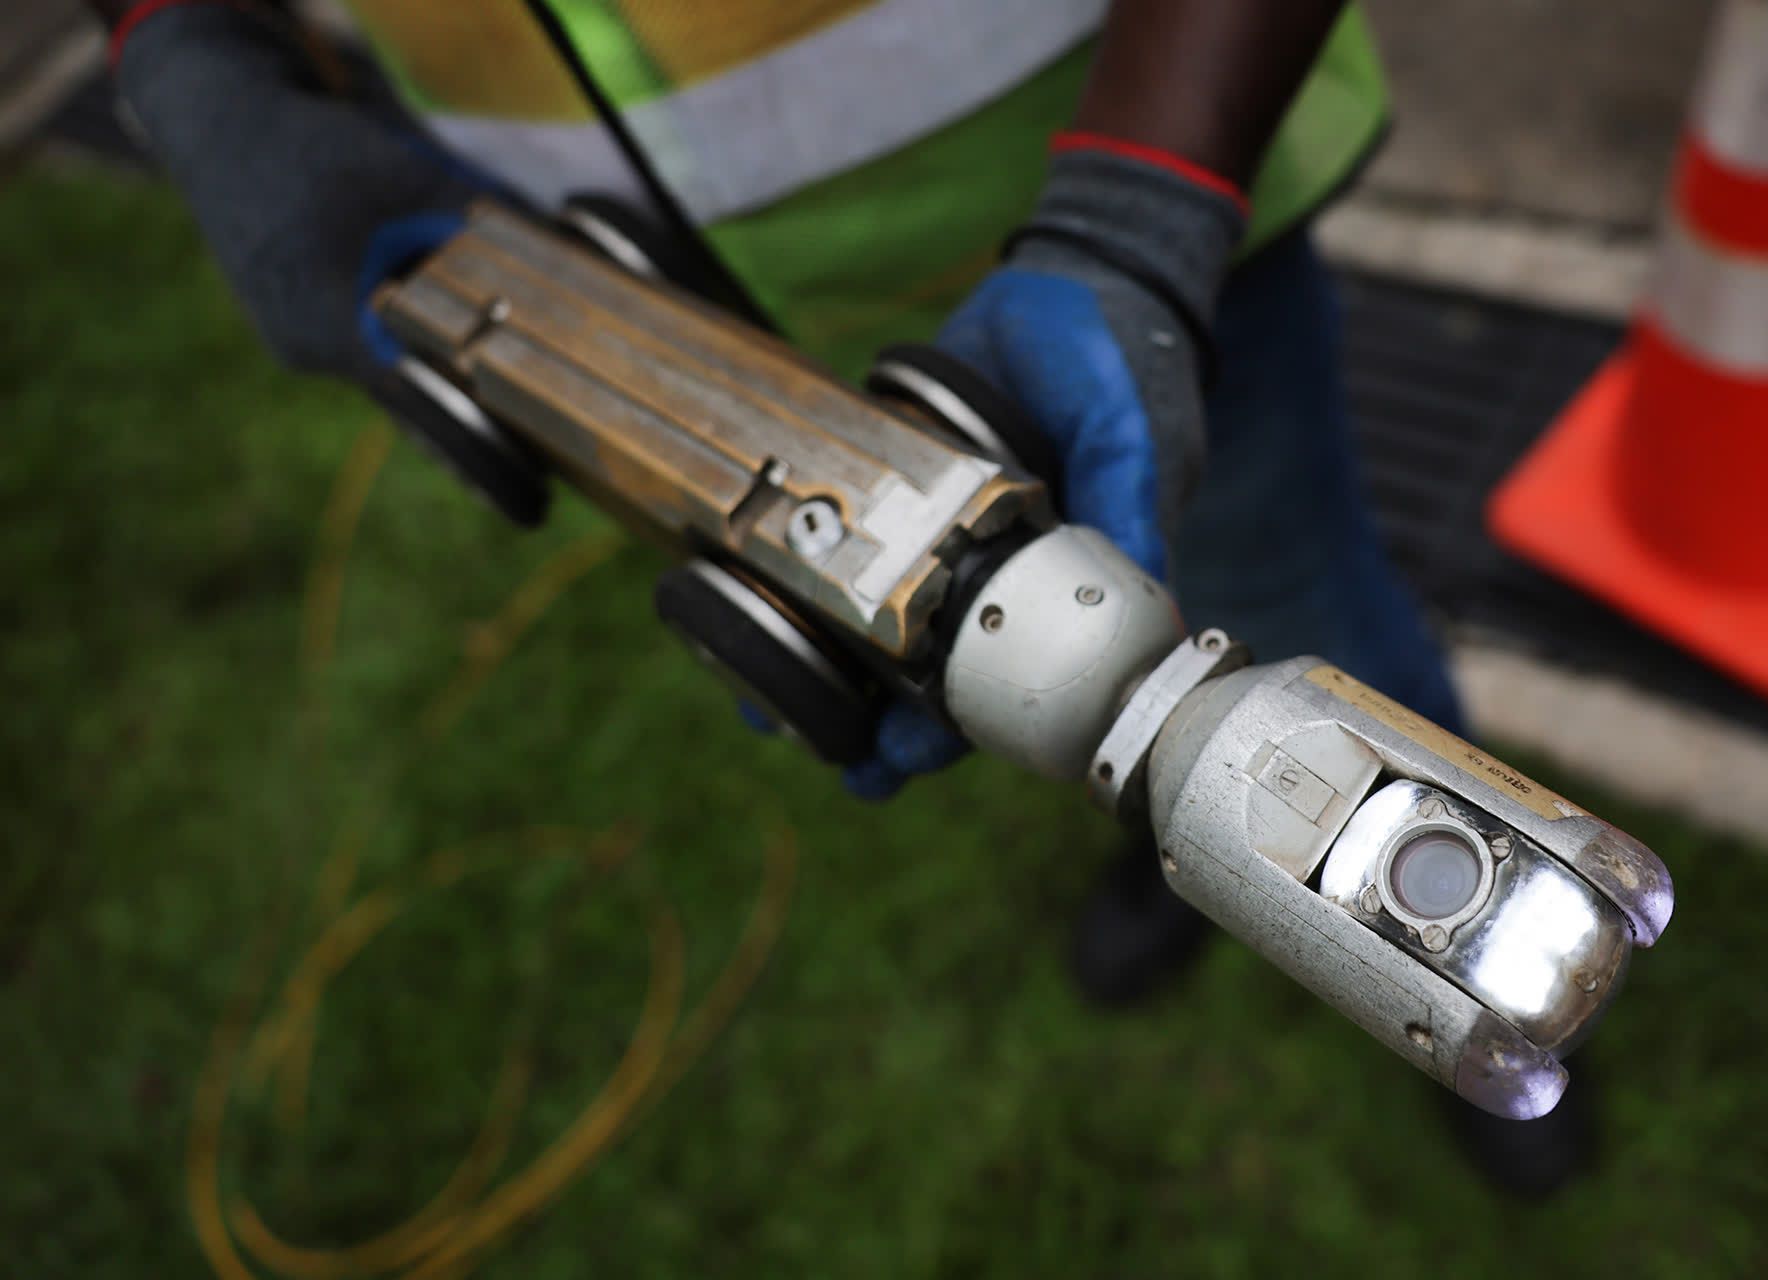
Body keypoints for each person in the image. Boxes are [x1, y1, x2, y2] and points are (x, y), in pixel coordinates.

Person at [95, 0, 1585, 1192]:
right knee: (1087, 690)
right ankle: (1172, 847)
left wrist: (1146, 215)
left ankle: (1456, 980)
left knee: (1301, 588)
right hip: (643, 274)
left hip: (1145, 176)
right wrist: (183, 44)